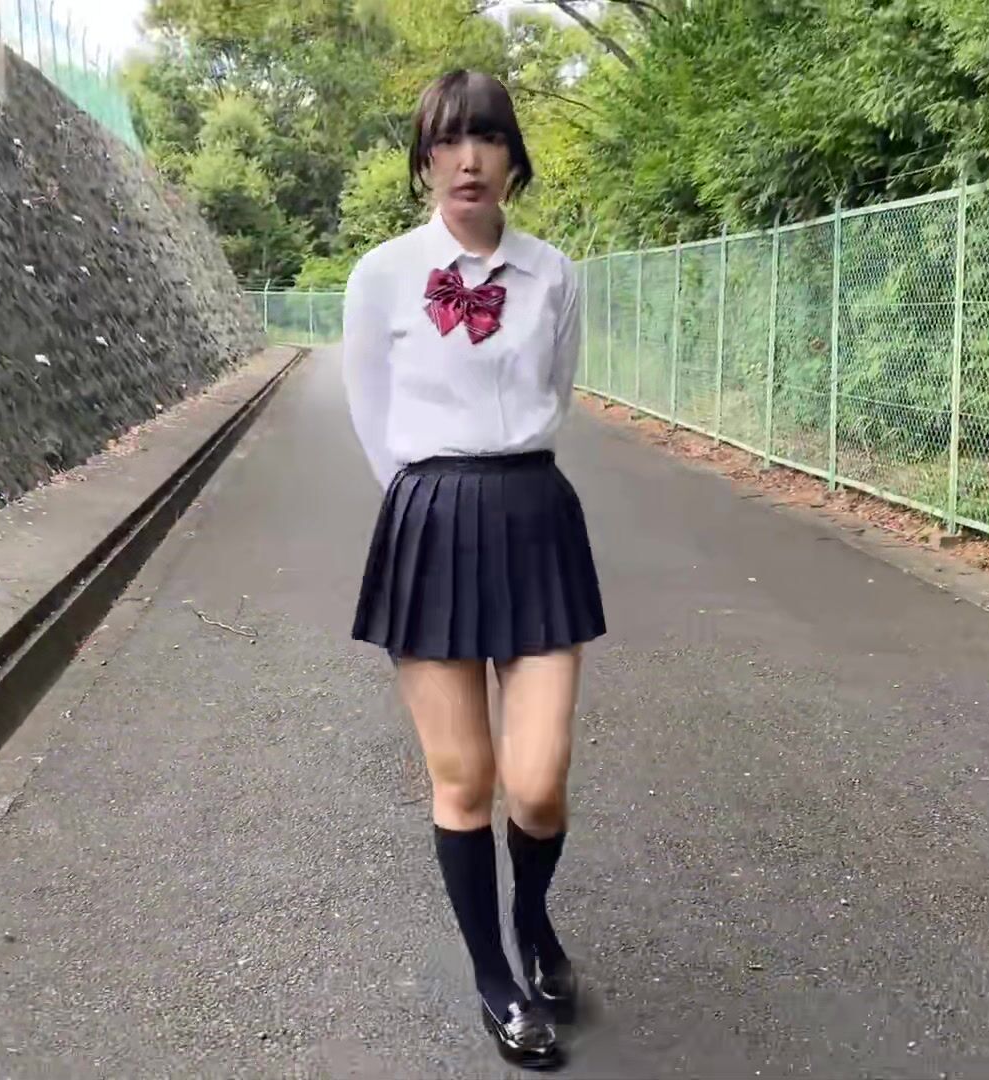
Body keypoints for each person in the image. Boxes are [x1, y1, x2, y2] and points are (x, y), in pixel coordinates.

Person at [339, 69, 606, 1070]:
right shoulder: (381, 276)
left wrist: (499, 470)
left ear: (512, 159)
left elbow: (557, 393)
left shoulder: (555, 275)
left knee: (535, 784)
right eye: (447, 141)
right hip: (432, 519)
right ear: (423, 162)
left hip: (535, 516)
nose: (467, 159)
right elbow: (371, 413)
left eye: (487, 138)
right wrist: (433, 501)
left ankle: (531, 921)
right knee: (464, 779)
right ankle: (498, 980)